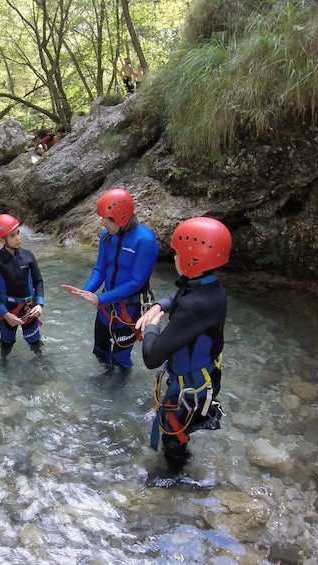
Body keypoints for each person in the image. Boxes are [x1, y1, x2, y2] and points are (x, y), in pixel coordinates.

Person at [135, 217, 231, 470]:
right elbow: (178, 294)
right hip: (202, 379)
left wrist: (152, 324)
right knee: (179, 430)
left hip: (191, 389)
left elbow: (152, 357)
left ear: (192, 259)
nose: (175, 258)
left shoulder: (194, 307)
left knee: (174, 439)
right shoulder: (208, 286)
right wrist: (159, 305)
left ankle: (175, 478)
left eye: (177, 254)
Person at [61, 187, 159, 374]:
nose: (103, 223)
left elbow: (135, 282)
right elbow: (100, 269)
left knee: (121, 359)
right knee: (100, 352)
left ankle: (118, 393)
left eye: (106, 218)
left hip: (130, 309)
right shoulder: (106, 237)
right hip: (107, 307)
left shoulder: (145, 241)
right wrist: (87, 291)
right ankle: (103, 384)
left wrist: (100, 300)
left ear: (121, 217)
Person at [0, 214, 45, 360]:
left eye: (18, 233)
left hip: (29, 308)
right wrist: (5, 314)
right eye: (12, 235)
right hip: (7, 308)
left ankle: (41, 362)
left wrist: (40, 304)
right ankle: (3, 366)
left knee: (35, 342)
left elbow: (38, 281)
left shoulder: (28, 256)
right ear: (1, 239)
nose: (18, 237)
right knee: (7, 342)